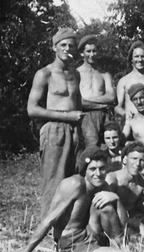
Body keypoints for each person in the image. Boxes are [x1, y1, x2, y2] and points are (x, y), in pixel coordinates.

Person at [13, 147, 126, 252]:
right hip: (73, 243)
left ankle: (121, 247)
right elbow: (48, 221)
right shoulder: (74, 185)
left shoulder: (103, 186)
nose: (98, 174)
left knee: (106, 206)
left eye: (102, 168)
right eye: (92, 169)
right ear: (84, 171)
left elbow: (122, 224)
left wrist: (116, 199)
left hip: (91, 234)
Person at [27, 28, 84, 217]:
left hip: (74, 131)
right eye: (63, 45)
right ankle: (47, 230)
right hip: (53, 131)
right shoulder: (45, 74)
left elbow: (78, 105)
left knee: (71, 180)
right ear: (54, 47)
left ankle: (65, 231)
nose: (68, 49)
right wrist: (66, 116)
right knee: (53, 181)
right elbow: (32, 109)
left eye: (72, 46)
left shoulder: (76, 74)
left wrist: (78, 130)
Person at [77, 34, 116, 148]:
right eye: (88, 51)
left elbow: (111, 97)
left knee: (111, 146)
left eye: (94, 51)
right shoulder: (76, 74)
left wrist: (88, 100)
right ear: (82, 53)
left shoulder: (104, 74)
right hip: (87, 117)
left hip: (106, 116)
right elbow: (79, 101)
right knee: (91, 147)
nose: (92, 54)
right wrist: (102, 105)